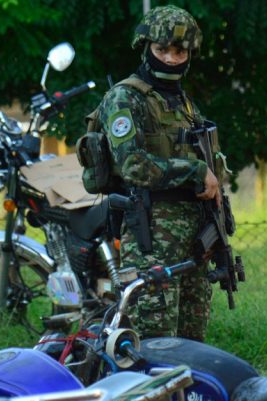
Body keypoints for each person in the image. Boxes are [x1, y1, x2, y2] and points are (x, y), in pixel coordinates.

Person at [99, 5, 222, 340]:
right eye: (161, 49)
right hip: (151, 235)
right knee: (155, 343)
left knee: (192, 342)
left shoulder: (183, 103)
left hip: (193, 238)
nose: (170, 58)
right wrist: (195, 170)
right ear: (145, 47)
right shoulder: (125, 98)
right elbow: (132, 165)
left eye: (179, 51)